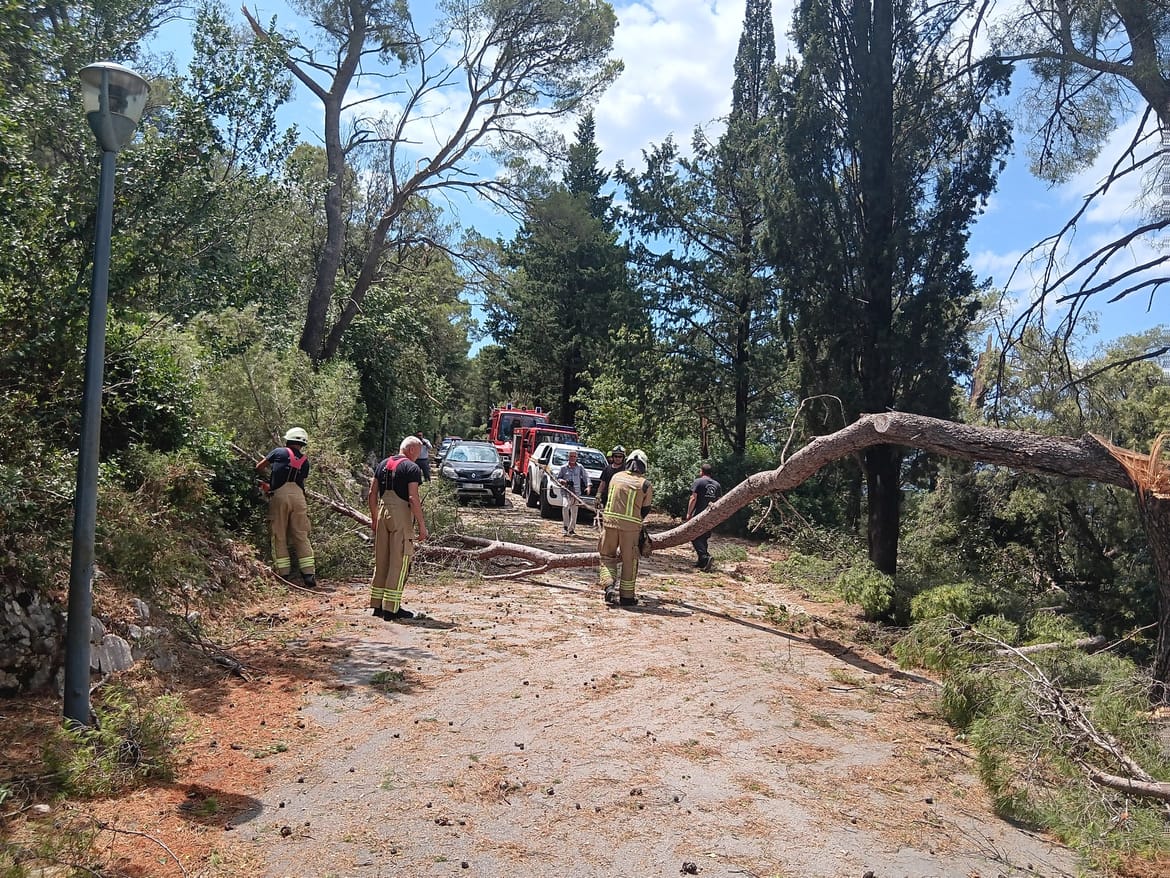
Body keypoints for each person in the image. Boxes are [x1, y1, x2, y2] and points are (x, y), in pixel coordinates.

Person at [368, 435, 430, 621]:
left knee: (382, 559)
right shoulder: (412, 468)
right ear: (411, 450)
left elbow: (372, 493)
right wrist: (421, 525)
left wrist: (374, 518)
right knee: (400, 560)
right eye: (418, 452)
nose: (419, 456)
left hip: (383, 512)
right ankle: (392, 608)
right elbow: (413, 498)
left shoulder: (382, 464)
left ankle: (377, 605)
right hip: (401, 515)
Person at [255, 427, 316, 588]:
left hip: (280, 496)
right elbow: (301, 479)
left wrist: (267, 483)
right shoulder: (305, 460)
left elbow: (259, 467)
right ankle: (309, 575)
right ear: (302, 444)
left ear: (288, 439)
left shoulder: (278, 452)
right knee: (301, 535)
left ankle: (284, 574)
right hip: (299, 497)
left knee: (279, 534)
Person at [598, 449, 653, 607]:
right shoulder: (645, 485)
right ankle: (627, 597)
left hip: (609, 523)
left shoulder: (616, 477)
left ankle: (608, 585)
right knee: (630, 561)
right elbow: (645, 509)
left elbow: (609, 496)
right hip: (630, 528)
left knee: (607, 556)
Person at [686, 462, 722, 571]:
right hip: (711, 515)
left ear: (702, 471)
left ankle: (705, 557)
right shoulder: (717, 485)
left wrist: (688, 513)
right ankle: (702, 562)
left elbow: (693, 498)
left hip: (699, 514)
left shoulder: (698, 482)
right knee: (704, 537)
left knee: (693, 535)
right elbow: (720, 501)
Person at [556, 449, 589, 535]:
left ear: (576, 457)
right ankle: (565, 527)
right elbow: (558, 478)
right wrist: (563, 481)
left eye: (574, 456)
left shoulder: (580, 467)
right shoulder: (563, 468)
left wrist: (588, 486)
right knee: (565, 507)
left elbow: (586, 477)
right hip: (566, 492)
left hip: (576, 493)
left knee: (574, 512)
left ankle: (571, 530)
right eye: (571, 456)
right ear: (568, 457)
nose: (573, 458)